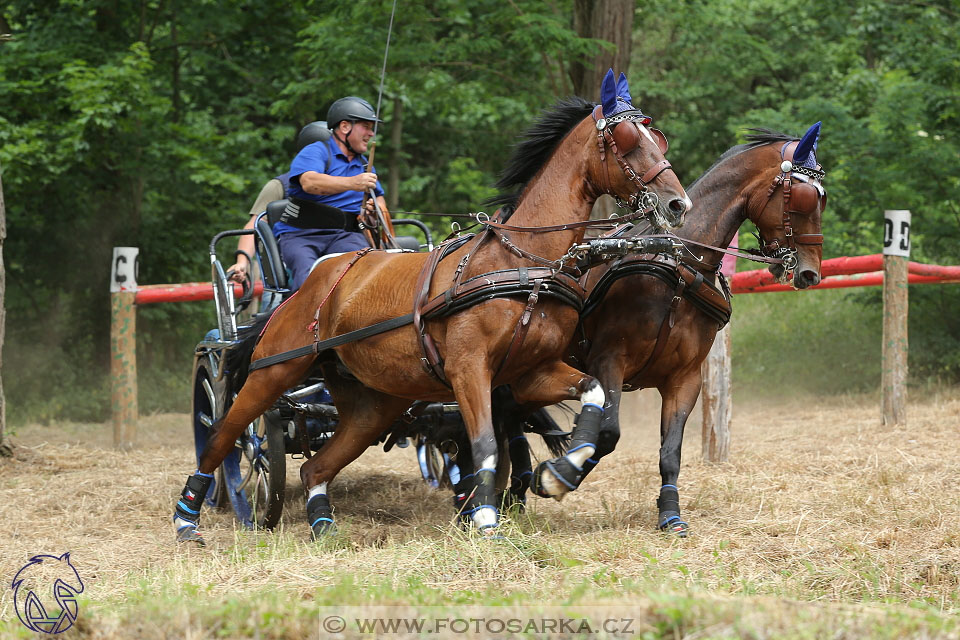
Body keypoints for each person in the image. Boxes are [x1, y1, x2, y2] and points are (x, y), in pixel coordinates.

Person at [276, 96, 391, 291]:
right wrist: (353, 183)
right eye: (366, 127)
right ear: (345, 127)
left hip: (345, 235)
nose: (371, 133)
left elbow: (380, 204)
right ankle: (306, 320)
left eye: (372, 128)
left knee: (365, 276)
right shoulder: (316, 152)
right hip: (301, 235)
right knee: (310, 284)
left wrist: (374, 213)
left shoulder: (365, 165)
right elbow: (309, 182)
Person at [227, 121, 332, 283]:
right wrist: (242, 261)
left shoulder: (348, 185)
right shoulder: (280, 186)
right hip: (289, 266)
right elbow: (256, 225)